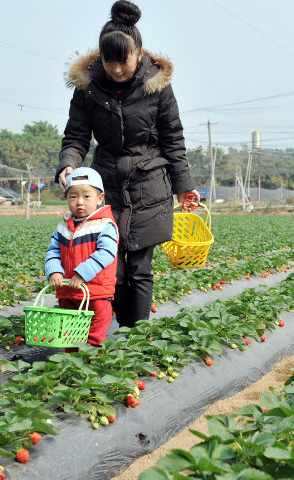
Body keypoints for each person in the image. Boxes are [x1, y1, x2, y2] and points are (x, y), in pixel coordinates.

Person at [55, 0, 198, 329]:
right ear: (101, 58)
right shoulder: (88, 89)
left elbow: (172, 139)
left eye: (124, 61)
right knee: (112, 270)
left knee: (139, 269)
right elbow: (76, 137)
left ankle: (137, 336)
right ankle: (125, 329)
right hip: (106, 189)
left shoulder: (158, 86)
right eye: (110, 61)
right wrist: (68, 165)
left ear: (139, 53)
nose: (117, 69)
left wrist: (184, 187)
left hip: (150, 185)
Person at [45, 168, 119, 348]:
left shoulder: (105, 225)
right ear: (66, 198)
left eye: (87, 197)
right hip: (68, 291)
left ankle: (92, 367)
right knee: (69, 334)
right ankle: (73, 366)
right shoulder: (63, 226)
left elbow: (106, 253)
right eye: (73, 197)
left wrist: (82, 274)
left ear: (99, 198)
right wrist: (54, 270)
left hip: (96, 294)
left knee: (94, 336)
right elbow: (53, 251)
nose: (79, 202)